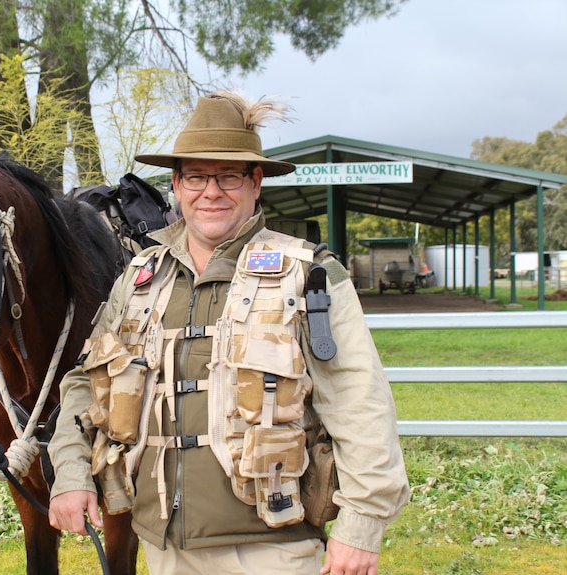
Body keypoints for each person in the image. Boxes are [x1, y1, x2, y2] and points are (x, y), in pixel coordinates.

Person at [48, 91, 409, 575]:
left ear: (255, 182)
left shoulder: (310, 275)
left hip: (273, 549)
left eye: (228, 175)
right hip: (163, 547)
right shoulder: (139, 279)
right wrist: (70, 474)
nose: (210, 191)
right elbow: (83, 384)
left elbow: (358, 402)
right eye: (196, 176)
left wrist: (362, 523)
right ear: (176, 184)